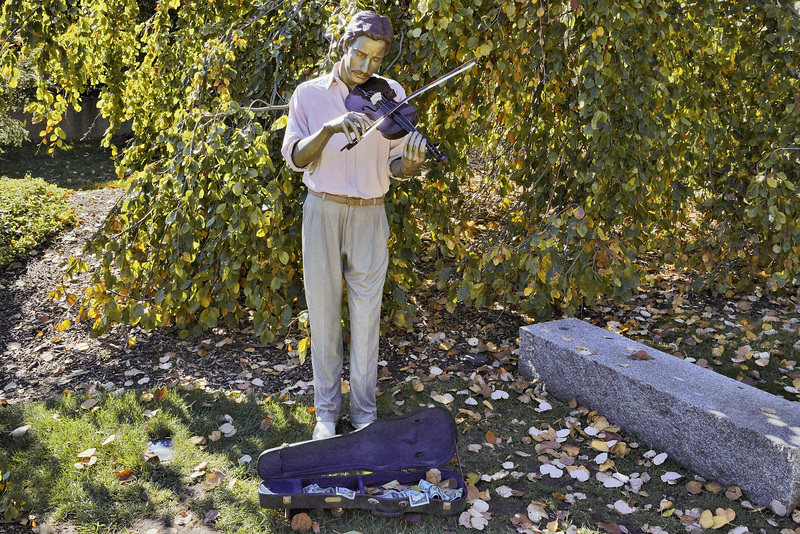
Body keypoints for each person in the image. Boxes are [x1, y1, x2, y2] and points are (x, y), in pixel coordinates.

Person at [281, 10, 427, 440]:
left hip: (370, 212)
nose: (366, 68)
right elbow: (295, 158)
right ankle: (326, 413)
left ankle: (364, 412)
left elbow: (396, 162)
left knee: (367, 315)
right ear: (343, 45)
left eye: (376, 60)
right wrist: (328, 130)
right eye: (360, 55)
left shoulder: (390, 94)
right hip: (322, 209)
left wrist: (412, 166)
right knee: (324, 312)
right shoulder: (308, 94)